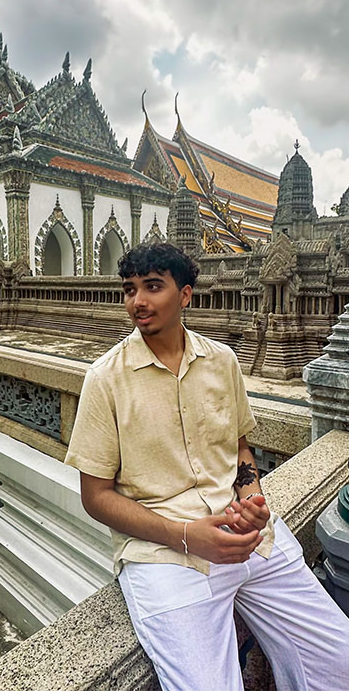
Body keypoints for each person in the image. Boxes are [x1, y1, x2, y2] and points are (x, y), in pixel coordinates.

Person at [65, 242, 349, 691]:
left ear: (186, 295)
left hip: (246, 533)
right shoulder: (106, 379)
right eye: (130, 289)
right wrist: (186, 536)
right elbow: (95, 497)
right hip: (163, 553)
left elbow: (239, 451)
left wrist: (253, 498)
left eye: (153, 287)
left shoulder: (222, 362)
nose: (138, 301)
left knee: (340, 660)